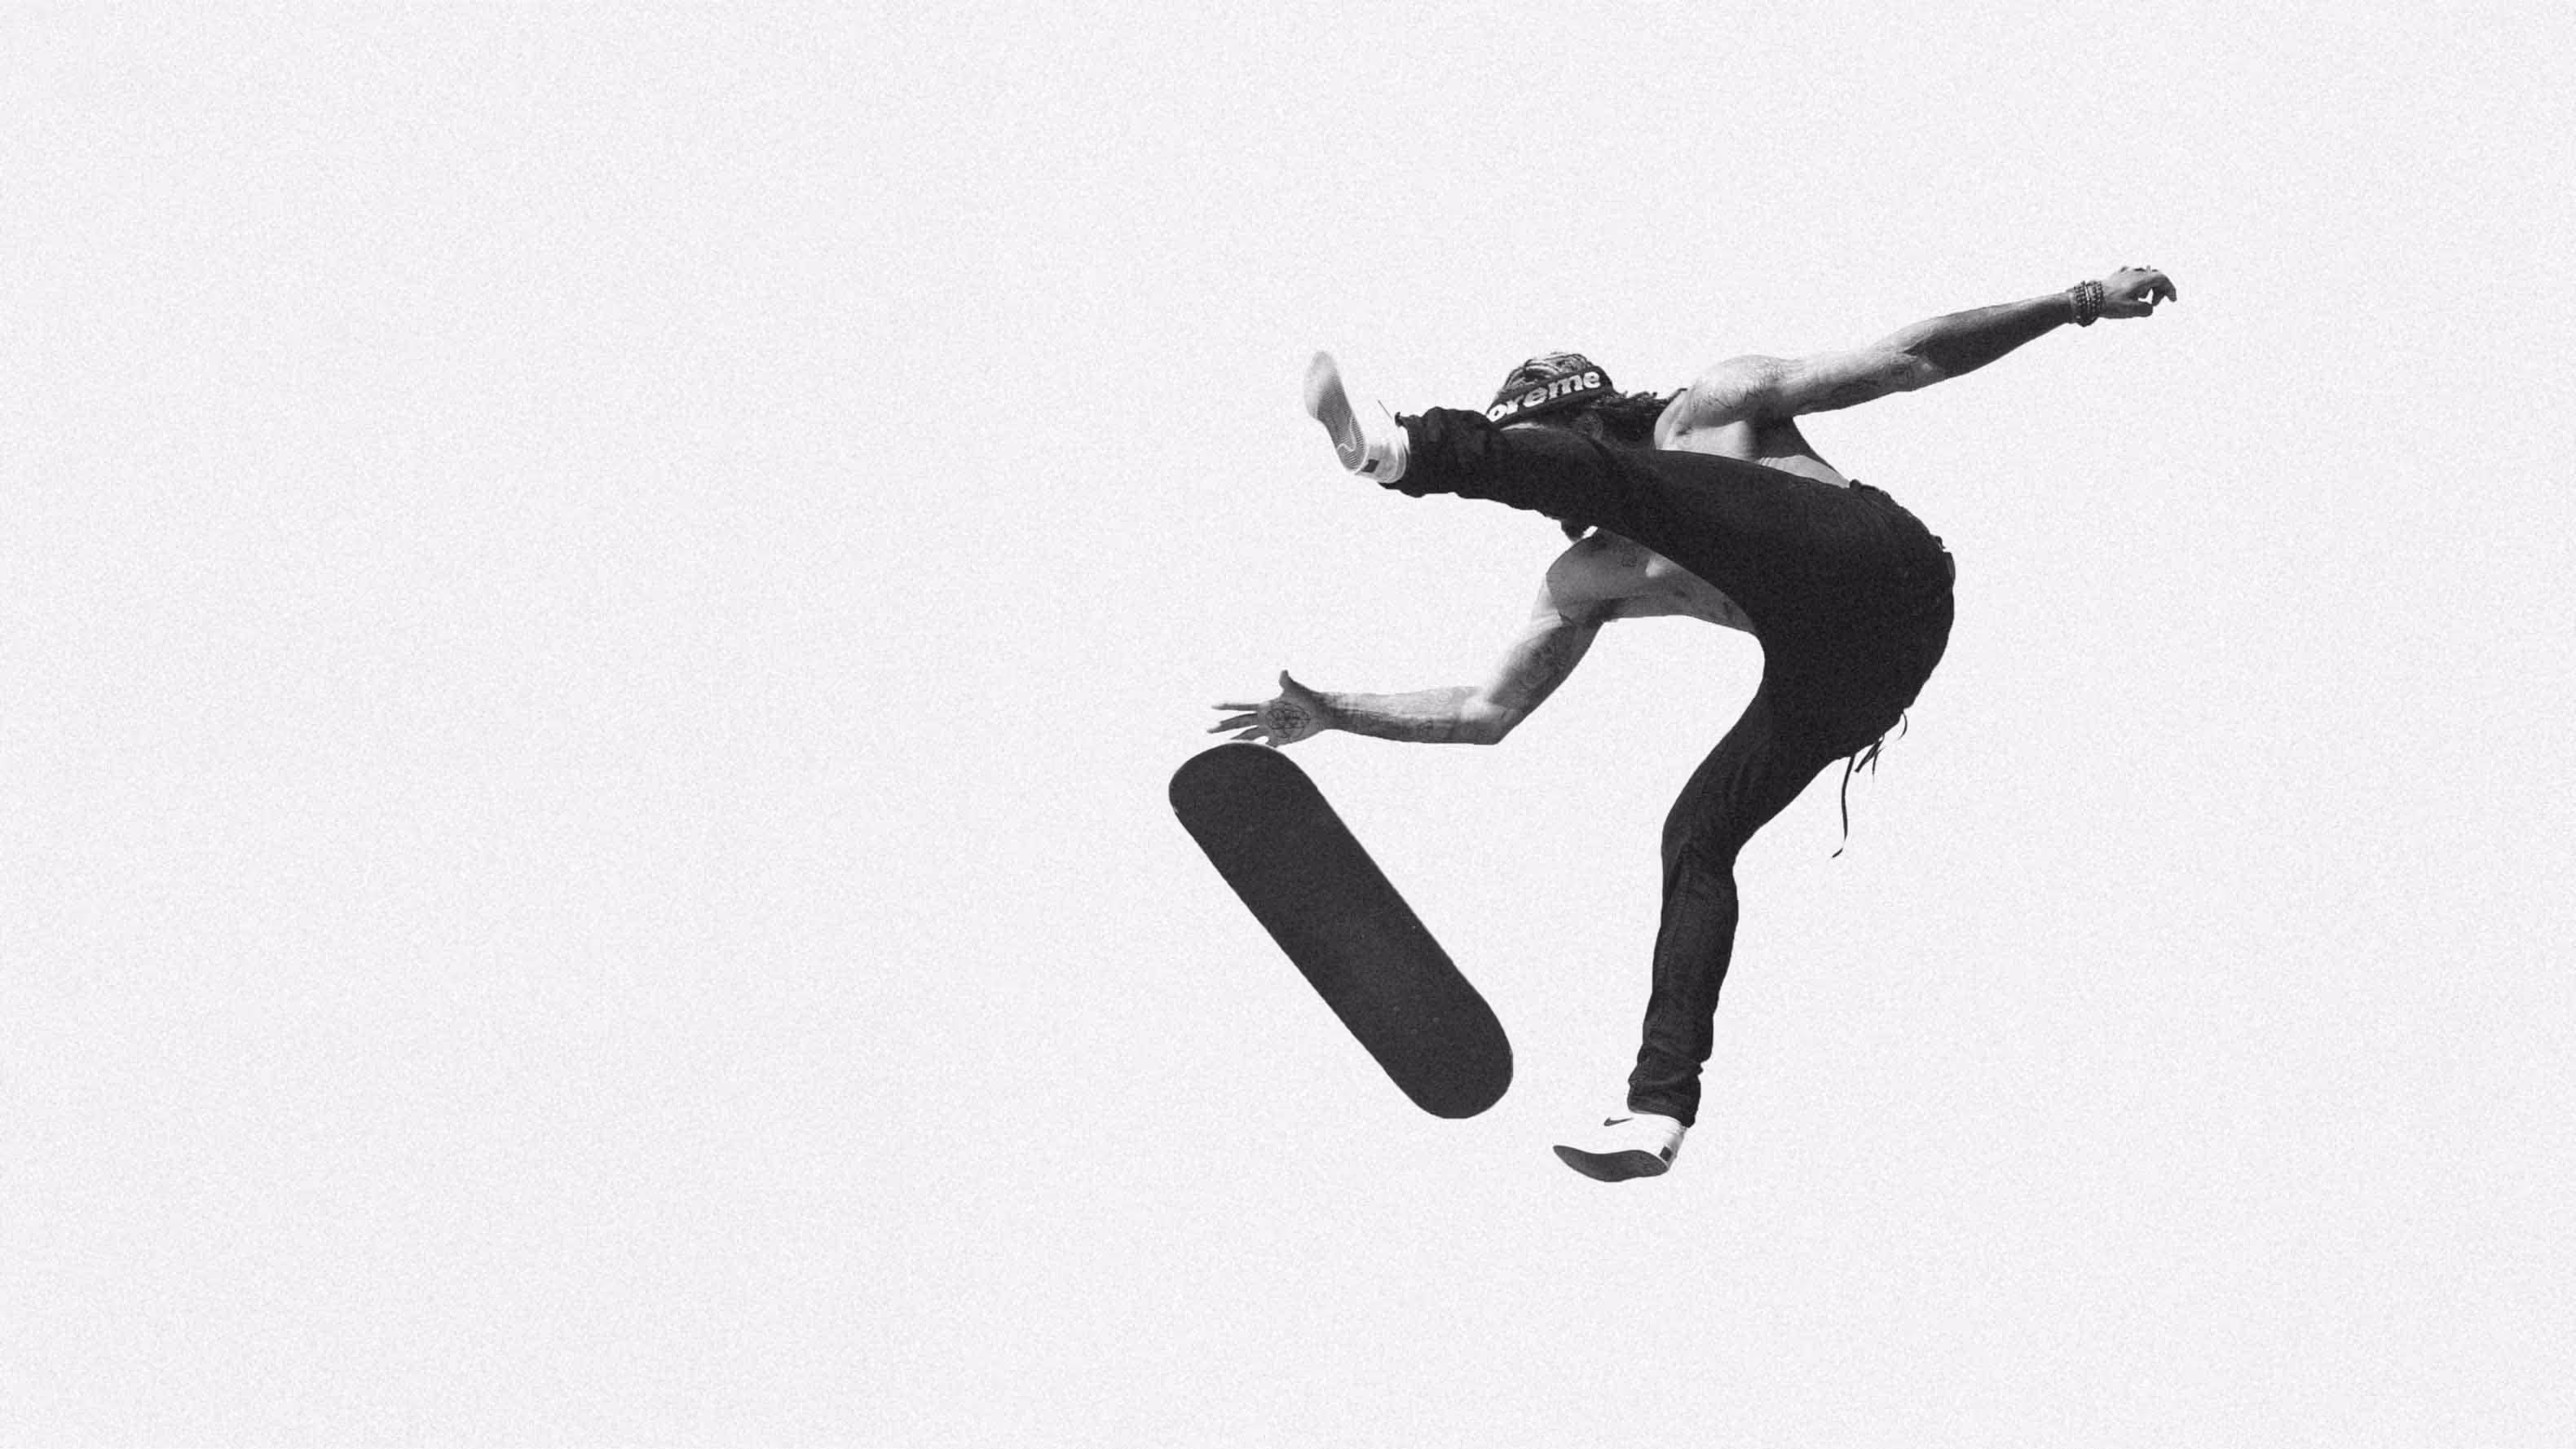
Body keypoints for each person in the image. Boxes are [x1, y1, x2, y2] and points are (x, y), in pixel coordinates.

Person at [1211, 267, 2178, 1181]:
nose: (1555, 512)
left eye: (1561, 457)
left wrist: (2078, 300)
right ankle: (1658, 1112)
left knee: (1642, 486)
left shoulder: (1716, 408)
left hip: (1881, 566)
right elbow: (1484, 710)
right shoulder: (1591, 572)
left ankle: (1401, 450)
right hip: (1842, 674)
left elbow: (1908, 358)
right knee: (1695, 835)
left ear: (1589, 417)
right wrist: (1332, 712)